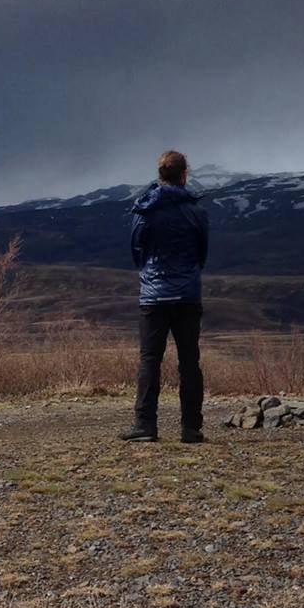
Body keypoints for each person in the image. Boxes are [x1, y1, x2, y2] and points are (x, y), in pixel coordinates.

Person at [124, 150, 211, 442]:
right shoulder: (196, 211)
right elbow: (202, 252)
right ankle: (191, 428)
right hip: (187, 294)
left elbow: (137, 250)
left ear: (159, 175)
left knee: (150, 360)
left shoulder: (144, 211)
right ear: (185, 174)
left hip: (153, 296)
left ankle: (145, 426)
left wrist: (150, 273)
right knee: (189, 361)